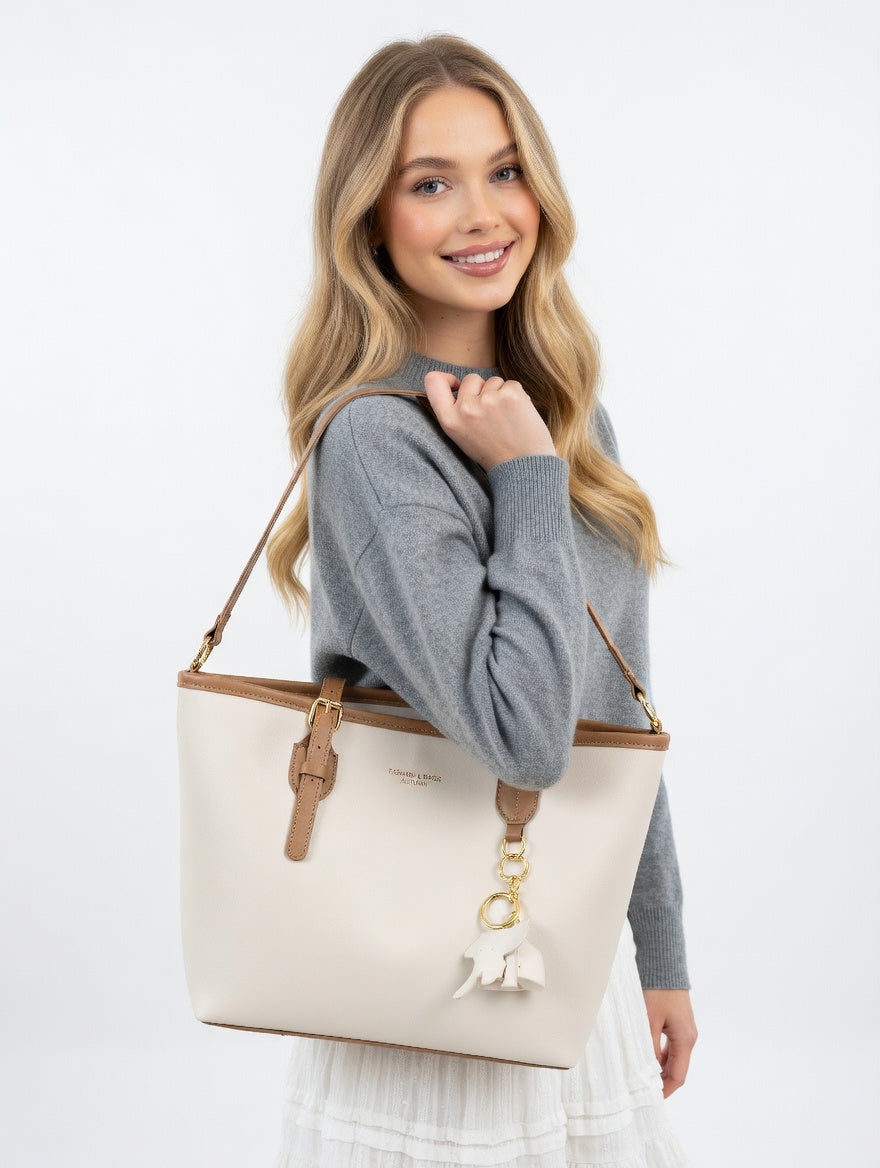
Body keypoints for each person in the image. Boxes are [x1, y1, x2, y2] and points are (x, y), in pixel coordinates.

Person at [268, 33, 697, 1168]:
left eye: (504, 170)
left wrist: (662, 951)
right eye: (430, 181)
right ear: (370, 220)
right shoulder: (374, 441)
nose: (481, 211)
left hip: (571, 963)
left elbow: (617, 711)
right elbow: (525, 736)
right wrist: (521, 480)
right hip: (428, 993)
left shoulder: (567, 427)